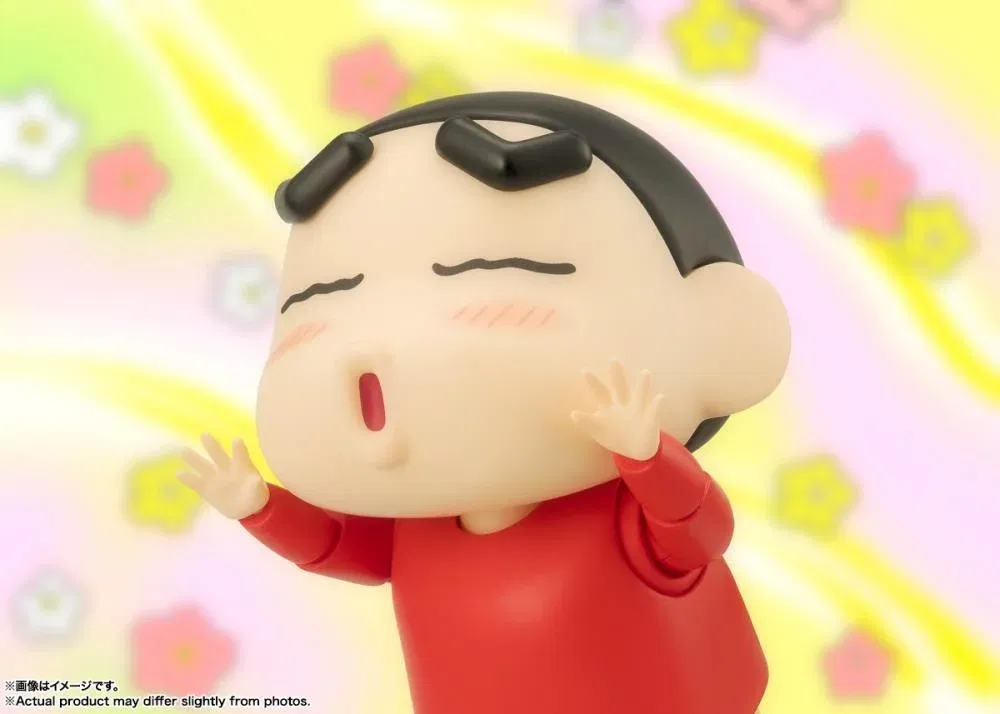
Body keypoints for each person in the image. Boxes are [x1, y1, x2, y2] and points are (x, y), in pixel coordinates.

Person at [179, 92, 791, 714]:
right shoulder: (416, 525)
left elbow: (699, 531)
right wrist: (261, 508)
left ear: (723, 324)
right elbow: (343, 546)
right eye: (319, 295)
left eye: (491, 267)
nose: (376, 353)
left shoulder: (618, 514)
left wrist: (648, 457)